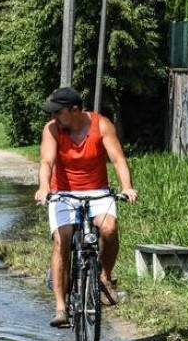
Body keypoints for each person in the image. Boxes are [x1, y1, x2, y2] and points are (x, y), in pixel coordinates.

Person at [33, 87, 138, 328]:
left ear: (75, 110)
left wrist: (127, 186)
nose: (54, 117)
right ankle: (61, 307)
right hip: (63, 193)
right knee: (63, 239)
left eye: (59, 112)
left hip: (98, 191)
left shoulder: (101, 125)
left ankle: (104, 278)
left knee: (109, 229)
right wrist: (43, 187)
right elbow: (46, 161)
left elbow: (118, 159)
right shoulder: (52, 129)